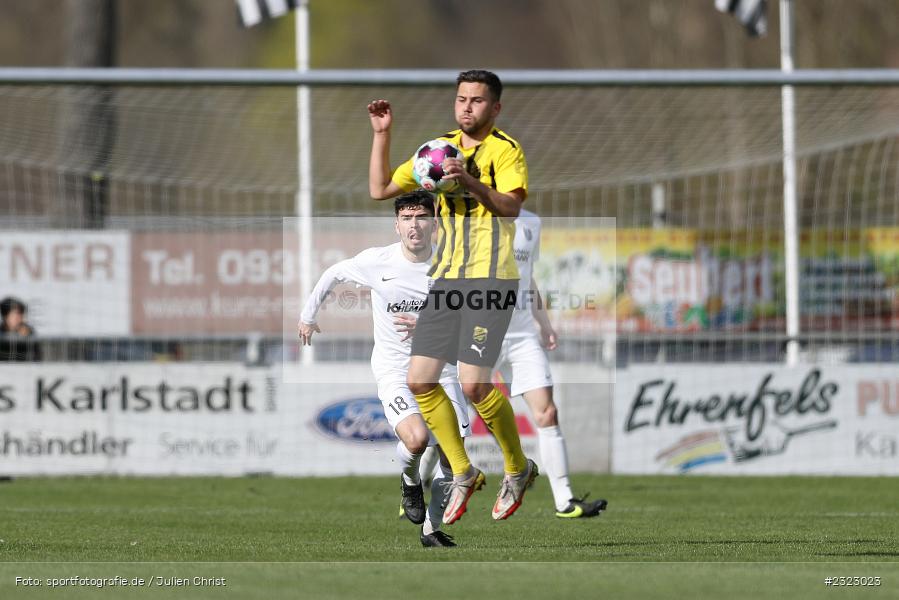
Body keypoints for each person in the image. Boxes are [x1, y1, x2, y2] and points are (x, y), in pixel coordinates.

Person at [368, 69, 536, 524]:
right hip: (446, 279)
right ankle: (464, 471)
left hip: (491, 279)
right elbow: (380, 189)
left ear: (494, 108)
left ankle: (517, 468)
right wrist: (382, 135)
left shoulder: (505, 149)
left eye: (477, 100)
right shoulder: (436, 150)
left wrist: (470, 182)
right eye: (461, 99)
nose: (466, 107)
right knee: (420, 380)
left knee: (474, 385)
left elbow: (511, 207)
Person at [298, 191, 467, 547]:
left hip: (442, 371)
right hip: (395, 370)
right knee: (417, 439)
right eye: (406, 219)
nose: (414, 225)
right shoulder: (378, 261)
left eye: (421, 217)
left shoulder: (452, 265)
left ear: (434, 223)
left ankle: (431, 531)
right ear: (397, 226)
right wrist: (308, 317)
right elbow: (333, 273)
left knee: (453, 460)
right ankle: (410, 481)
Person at [494, 208, 609, 518]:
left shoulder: (531, 222)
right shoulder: (470, 215)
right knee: (455, 410)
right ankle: (419, 480)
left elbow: (527, 277)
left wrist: (544, 324)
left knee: (547, 412)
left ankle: (565, 500)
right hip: (479, 333)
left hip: (521, 335)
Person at [0, 297, 40, 362]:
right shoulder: (1, 331)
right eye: (15, 314)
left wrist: (24, 339)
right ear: (5, 316)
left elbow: (36, 357)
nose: (19, 318)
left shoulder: (28, 331)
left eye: (21, 314)